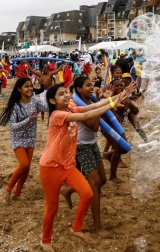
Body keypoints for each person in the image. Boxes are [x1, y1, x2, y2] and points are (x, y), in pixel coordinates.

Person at [38, 82, 135, 252]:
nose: (67, 95)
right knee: (52, 207)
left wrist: (119, 96)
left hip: (67, 166)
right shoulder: (57, 115)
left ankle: (76, 228)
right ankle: (45, 240)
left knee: (88, 193)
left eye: (67, 92)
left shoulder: (71, 109)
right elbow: (85, 117)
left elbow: (95, 106)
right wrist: (112, 104)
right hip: (50, 167)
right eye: (61, 94)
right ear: (53, 101)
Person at [60, 77, 111, 238]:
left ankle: (68, 190)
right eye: (88, 85)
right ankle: (98, 228)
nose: (92, 87)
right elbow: (95, 126)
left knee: (102, 180)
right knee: (95, 185)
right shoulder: (77, 107)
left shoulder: (89, 104)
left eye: (92, 85)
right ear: (79, 89)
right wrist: (98, 102)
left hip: (92, 144)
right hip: (81, 147)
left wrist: (102, 99)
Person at [0, 77, 48, 203]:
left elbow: (48, 108)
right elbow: (13, 127)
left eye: (31, 86)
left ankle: (17, 193)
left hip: (30, 138)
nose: (30, 88)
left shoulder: (35, 101)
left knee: (27, 168)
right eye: (26, 86)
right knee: (23, 164)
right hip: (17, 138)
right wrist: (27, 120)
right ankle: (8, 189)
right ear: (19, 89)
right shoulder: (16, 105)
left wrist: (58, 101)